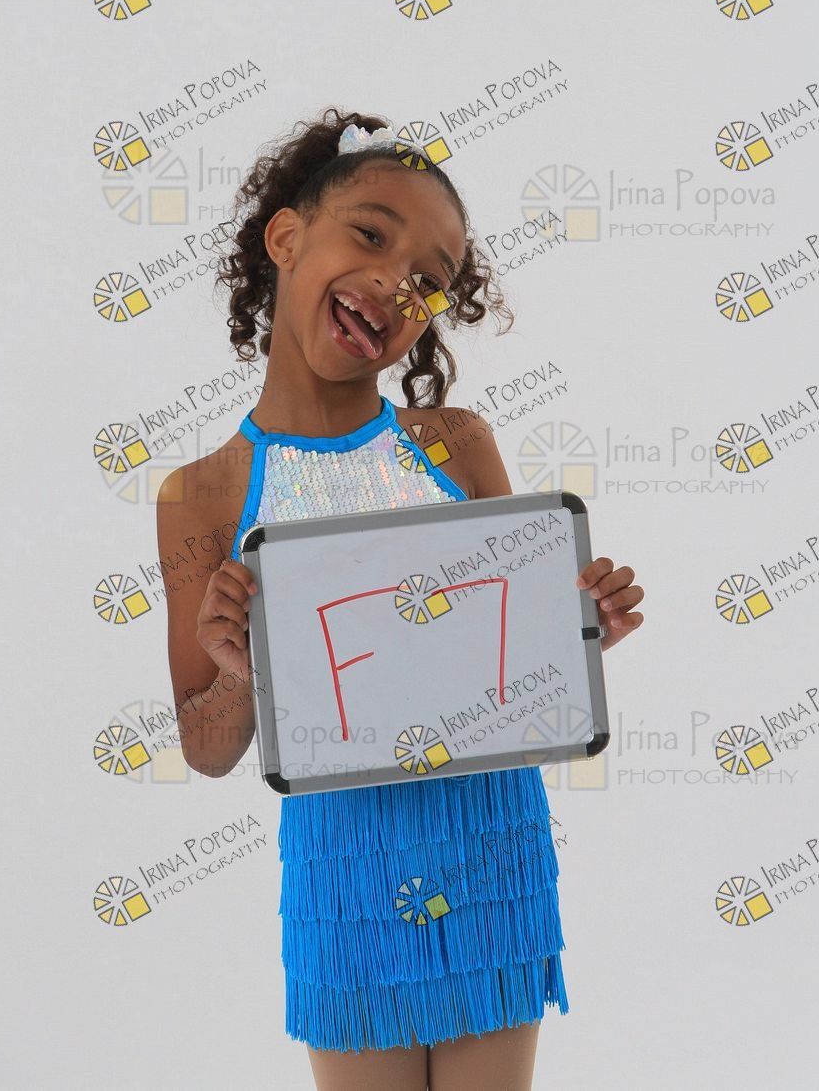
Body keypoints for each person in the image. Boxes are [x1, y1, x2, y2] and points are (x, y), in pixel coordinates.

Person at [158, 106, 646, 1091]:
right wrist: (241, 672)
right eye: (372, 235)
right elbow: (207, 750)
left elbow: (521, 658)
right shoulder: (201, 495)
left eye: (430, 278)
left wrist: (580, 626)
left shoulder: (456, 444)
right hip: (341, 867)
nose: (396, 281)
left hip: (489, 843)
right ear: (286, 237)